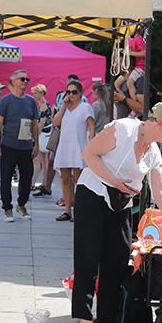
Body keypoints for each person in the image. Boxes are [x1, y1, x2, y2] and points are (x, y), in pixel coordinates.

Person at [73, 102, 162, 323]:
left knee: (117, 261)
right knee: (88, 259)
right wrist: (113, 180)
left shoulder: (153, 151)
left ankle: (108, 322)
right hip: (93, 194)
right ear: (159, 122)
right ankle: (84, 322)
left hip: (121, 202)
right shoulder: (123, 128)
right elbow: (88, 154)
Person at [0, 70, 39, 222]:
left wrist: (36, 143)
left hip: (26, 146)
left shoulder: (31, 101)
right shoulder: (6, 100)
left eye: (27, 79)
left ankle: (21, 205)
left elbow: (34, 124)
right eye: (22, 79)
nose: (25, 81)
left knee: (27, 177)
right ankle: (7, 209)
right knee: (6, 178)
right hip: (8, 145)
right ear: (14, 81)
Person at [52, 80, 96, 222]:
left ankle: (79, 211)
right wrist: (63, 107)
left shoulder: (85, 107)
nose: (71, 95)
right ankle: (67, 211)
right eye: (68, 92)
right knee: (65, 180)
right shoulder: (64, 107)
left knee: (79, 180)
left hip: (78, 145)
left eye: (74, 92)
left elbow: (92, 127)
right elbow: (55, 123)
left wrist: (91, 145)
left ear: (80, 93)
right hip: (64, 146)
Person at [30, 84, 52, 195]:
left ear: (41, 93)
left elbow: (42, 122)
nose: (33, 95)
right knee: (44, 159)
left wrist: (35, 136)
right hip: (46, 134)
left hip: (42, 134)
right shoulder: (45, 104)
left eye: (35, 93)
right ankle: (44, 183)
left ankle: (32, 183)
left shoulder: (42, 105)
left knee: (37, 160)